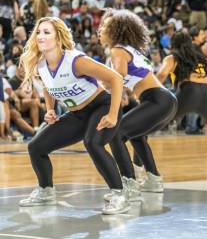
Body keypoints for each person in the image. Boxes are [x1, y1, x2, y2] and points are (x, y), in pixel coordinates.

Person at [18, 17, 129, 214]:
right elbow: (47, 87)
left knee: (92, 143)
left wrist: (113, 114)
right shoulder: (41, 64)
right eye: (38, 32)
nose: (40, 36)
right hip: (78, 113)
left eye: (46, 32)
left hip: (102, 106)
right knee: (36, 147)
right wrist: (50, 109)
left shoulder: (76, 61)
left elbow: (116, 78)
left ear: (58, 38)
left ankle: (119, 194)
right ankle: (46, 191)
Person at [99, 9, 178, 198]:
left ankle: (129, 183)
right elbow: (125, 81)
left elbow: (118, 77)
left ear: (115, 31)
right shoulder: (131, 50)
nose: (101, 29)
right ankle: (153, 178)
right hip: (165, 100)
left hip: (156, 99)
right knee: (136, 136)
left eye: (106, 26)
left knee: (115, 134)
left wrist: (97, 83)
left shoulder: (117, 50)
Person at [157, 31, 207, 160]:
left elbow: (161, 75)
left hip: (189, 91)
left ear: (173, 44)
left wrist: (155, 91)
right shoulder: (202, 60)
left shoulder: (173, 57)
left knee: (153, 123)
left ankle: (139, 164)